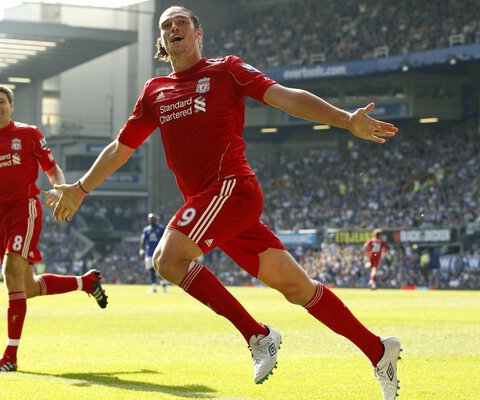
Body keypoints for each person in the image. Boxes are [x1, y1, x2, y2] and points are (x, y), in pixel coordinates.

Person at [53, 6, 401, 399]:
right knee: (296, 288)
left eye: (181, 21)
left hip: (231, 189)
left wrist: (345, 119)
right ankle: (378, 350)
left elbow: (286, 98)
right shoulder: (155, 92)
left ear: (198, 33)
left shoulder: (226, 70)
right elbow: (121, 147)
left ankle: (257, 336)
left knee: (167, 259)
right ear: (162, 42)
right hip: (212, 205)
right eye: (166, 25)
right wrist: (79, 188)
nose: (173, 27)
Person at [0, 84, 108, 373]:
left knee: (10, 271)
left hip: (24, 208)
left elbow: (52, 169)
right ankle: (86, 282)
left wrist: (58, 190)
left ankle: (10, 356)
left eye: (2, 102)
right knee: (26, 288)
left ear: (11, 106)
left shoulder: (28, 134)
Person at [139, 212, 168, 293]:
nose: (152, 220)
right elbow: (143, 240)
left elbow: (166, 239)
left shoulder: (161, 228)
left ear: (156, 219)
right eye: (150, 219)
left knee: (161, 270)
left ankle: (164, 286)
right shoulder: (146, 230)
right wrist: (141, 250)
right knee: (151, 270)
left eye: (153, 218)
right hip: (149, 252)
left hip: (159, 252)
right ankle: (154, 287)